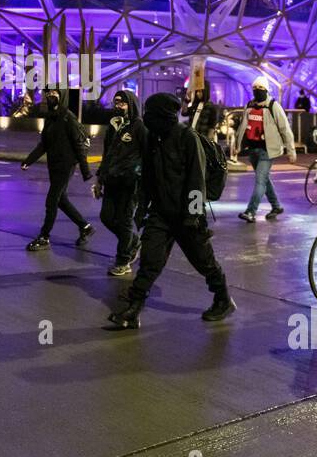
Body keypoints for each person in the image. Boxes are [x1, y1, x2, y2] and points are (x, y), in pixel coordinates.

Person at [107, 93, 234, 329]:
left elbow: (197, 180)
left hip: (187, 216)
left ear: (163, 116)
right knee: (149, 260)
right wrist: (142, 209)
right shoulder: (153, 139)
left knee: (204, 262)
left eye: (151, 114)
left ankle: (223, 299)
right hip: (161, 213)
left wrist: (194, 216)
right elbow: (147, 176)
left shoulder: (187, 138)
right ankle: (133, 310)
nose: (146, 119)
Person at [22, 88, 94, 251]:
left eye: (54, 94)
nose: (50, 96)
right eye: (48, 94)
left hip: (66, 165)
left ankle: (44, 237)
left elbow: (79, 144)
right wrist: (29, 161)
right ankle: (85, 227)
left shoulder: (68, 117)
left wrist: (85, 169)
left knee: (52, 200)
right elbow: (44, 144)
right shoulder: (50, 118)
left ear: (61, 97)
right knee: (61, 200)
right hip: (53, 165)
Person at [93, 90, 145, 276]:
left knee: (124, 221)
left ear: (130, 105)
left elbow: (147, 154)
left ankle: (123, 260)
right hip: (111, 180)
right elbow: (106, 154)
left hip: (130, 183)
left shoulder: (139, 126)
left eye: (122, 103)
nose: (118, 106)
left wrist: (140, 176)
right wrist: (99, 179)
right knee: (106, 217)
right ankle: (132, 241)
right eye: (116, 102)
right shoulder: (113, 126)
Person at [234, 76, 296, 222]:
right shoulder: (249, 105)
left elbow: (285, 129)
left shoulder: (273, 106)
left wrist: (291, 151)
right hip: (252, 149)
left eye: (261, 89)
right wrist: (237, 146)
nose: (257, 91)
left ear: (266, 90)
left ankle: (251, 211)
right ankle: (276, 206)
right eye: (255, 89)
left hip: (267, 151)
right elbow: (242, 127)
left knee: (260, 180)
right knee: (264, 179)